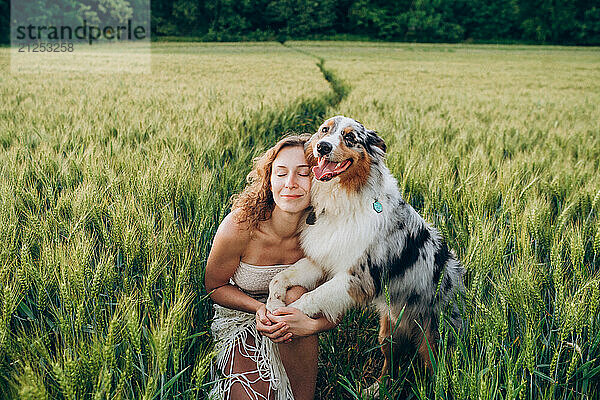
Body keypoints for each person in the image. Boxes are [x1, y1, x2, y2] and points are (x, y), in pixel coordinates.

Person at [204, 135, 337, 400]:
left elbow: (335, 307)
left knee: (296, 294)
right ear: (269, 179)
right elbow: (215, 286)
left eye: (304, 174)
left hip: (296, 325)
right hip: (241, 316)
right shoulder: (240, 226)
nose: (291, 184)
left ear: (321, 179)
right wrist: (260, 309)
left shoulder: (327, 234)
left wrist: (310, 327)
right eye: (281, 173)